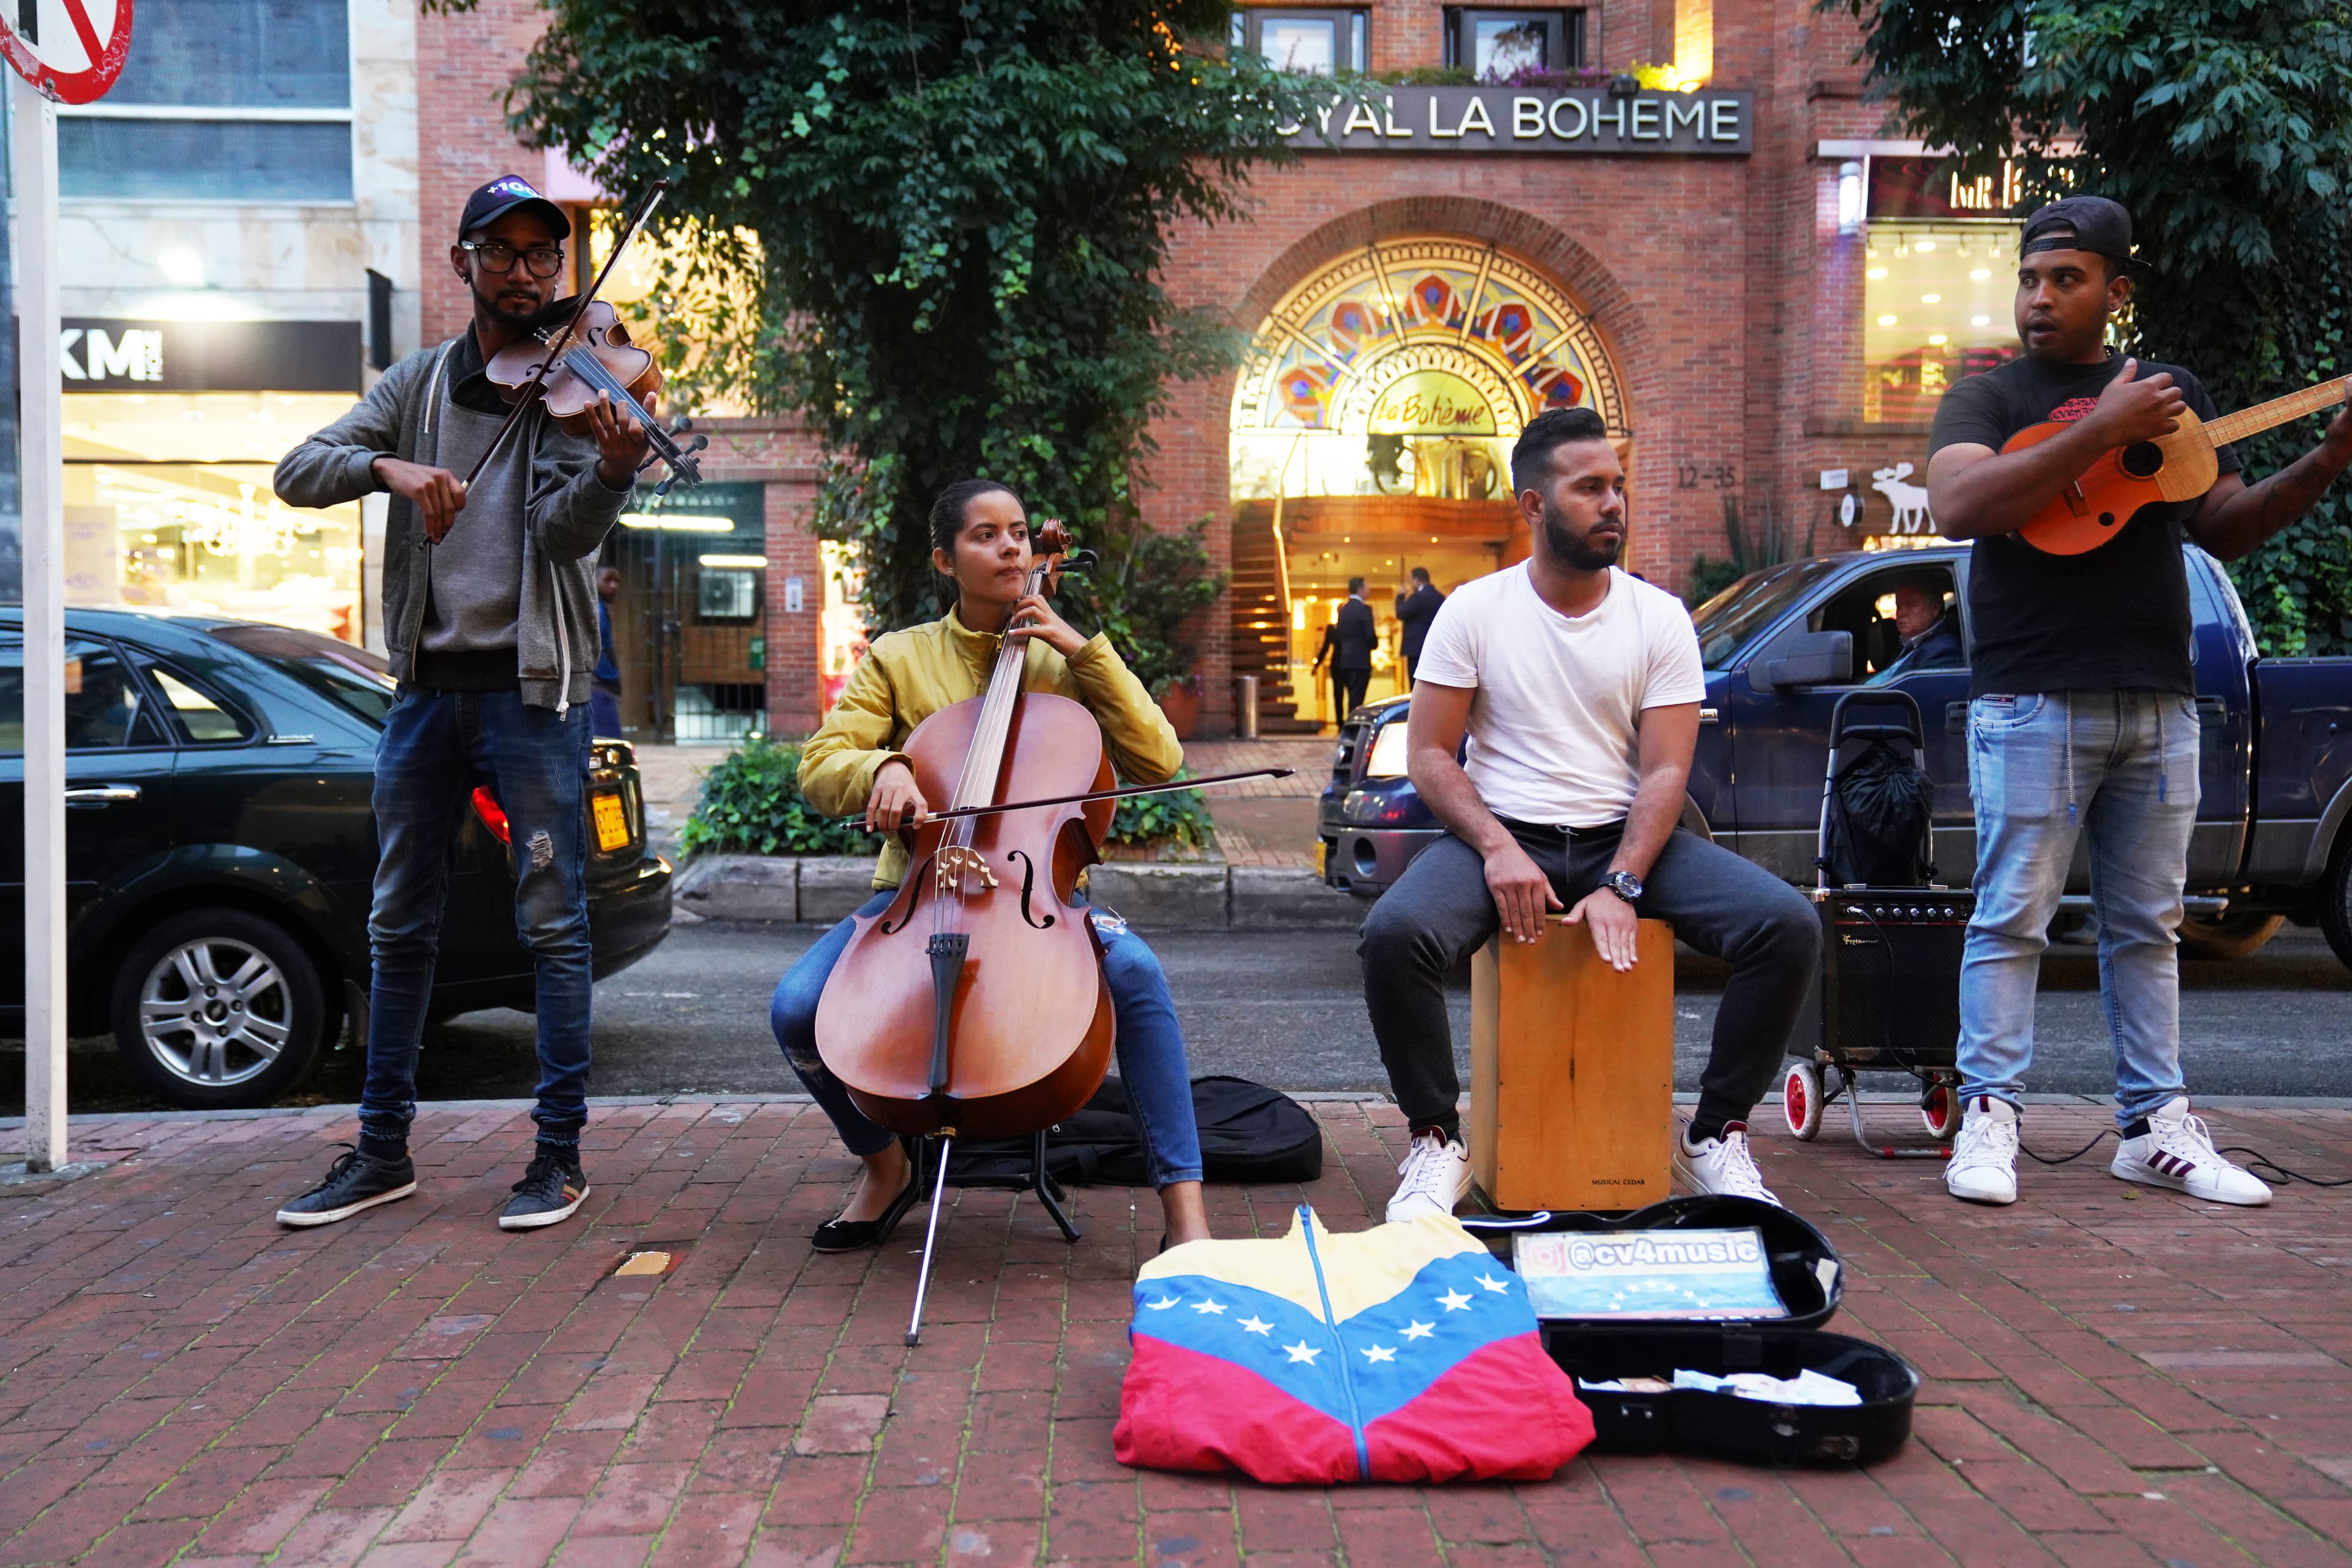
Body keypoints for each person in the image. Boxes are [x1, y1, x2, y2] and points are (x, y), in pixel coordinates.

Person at [1924, 195, 2352, 1208]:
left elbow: (2230, 524)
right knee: (2011, 918)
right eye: (2030, 279)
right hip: (2029, 695)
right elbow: (1962, 504)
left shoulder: (2172, 394)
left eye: (2065, 280)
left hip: (2161, 697)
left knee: (2149, 926)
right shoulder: (1985, 396)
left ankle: (2155, 1127)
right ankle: (1989, 1120)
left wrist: (2330, 459)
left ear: (2115, 291)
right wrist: (2102, 431)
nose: (2040, 298)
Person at [270, 174, 649, 1231]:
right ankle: (381, 1150)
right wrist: (392, 470)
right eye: (505, 252)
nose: (528, 273)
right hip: (428, 695)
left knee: (553, 926)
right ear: (464, 264)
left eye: (545, 256)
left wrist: (613, 475)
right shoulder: (420, 384)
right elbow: (297, 471)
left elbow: (568, 537)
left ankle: (558, 1160)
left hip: (533, 697)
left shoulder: (578, 392)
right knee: (400, 924)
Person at [1359, 407, 1820, 1219]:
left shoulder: (1658, 618)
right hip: (1503, 837)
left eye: (1619, 486)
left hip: (1627, 838)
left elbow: (1667, 769)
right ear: (1533, 505)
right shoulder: (1473, 611)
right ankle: (1435, 1139)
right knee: (1394, 937)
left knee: (1785, 926)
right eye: (1590, 488)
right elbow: (1432, 754)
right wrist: (1499, 849)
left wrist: (1624, 883)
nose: (1614, 503)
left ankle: (1714, 1137)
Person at [772, 480, 1212, 1253]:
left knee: (1138, 974)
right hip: (912, 894)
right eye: (985, 535)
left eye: (1017, 532)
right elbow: (821, 763)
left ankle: (1185, 1210)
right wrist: (883, 768)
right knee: (796, 1008)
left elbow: (1160, 756)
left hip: (1037, 897)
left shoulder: (1069, 662)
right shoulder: (900, 657)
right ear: (946, 559)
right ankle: (882, 1165)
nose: (1009, 546)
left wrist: (1079, 648)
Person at [1871, 571, 1964, 682]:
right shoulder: (1907, 643)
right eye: (1899, 606)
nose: (1901, 613)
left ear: (1934, 609)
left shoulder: (1944, 650)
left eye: (1912, 605)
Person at [1314, 577, 1376, 726]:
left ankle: (1349, 726)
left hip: (1346, 660)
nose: (1369, 590)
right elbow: (1369, 636)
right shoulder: (1364, 609)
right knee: (1357, 698)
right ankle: (1353, 728)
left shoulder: (1344, 610)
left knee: (1349, 697)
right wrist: (1374, 644)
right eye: (1367, 587)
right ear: (1360, 589)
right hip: (1361, 659)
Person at [1395, 566, 1446, 686]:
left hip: (1416, 649)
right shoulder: (1440, 597)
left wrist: (1400, 597)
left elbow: (1402, 613)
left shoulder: (1417, 598)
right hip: (1435, 648)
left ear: (1416, 580)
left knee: (1416, 685)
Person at [591, 564, 624, 737]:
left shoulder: (599, 607)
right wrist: (611, 679)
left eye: (616, 581)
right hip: (598, 683)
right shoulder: (595, 609)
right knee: (608, 741)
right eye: (608, 580)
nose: (614, 586)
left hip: (599, 682)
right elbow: (598, 649)